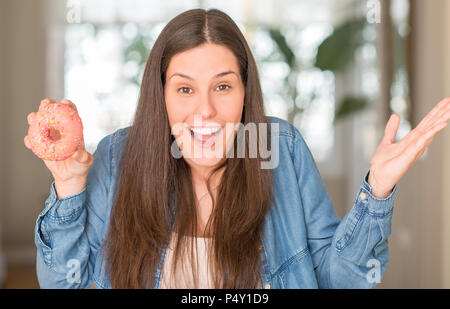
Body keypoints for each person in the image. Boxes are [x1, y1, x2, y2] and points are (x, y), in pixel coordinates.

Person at [25, 8, 449, 289]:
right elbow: (64, 283)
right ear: (161, 96)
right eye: (185, 89)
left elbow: (338, 280)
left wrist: (376, 192)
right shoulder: (118, 158)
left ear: (246, 92)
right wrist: (68, 185)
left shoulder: (282, 151)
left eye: (223, 86)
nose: (204, 110)